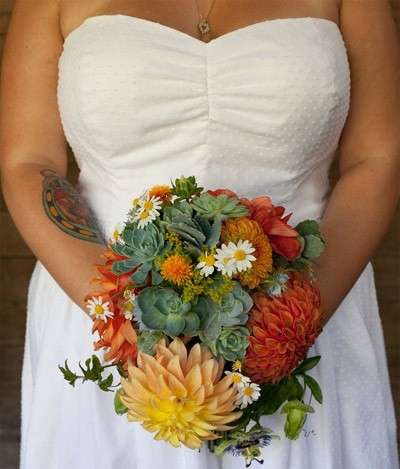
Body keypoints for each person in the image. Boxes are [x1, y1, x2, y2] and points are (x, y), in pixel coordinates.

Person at [0, 0, 399, 468]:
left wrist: (289, 323)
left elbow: (377, 159)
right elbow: (28, 163)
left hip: (312, 301)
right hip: (98, 307)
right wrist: (124, 323)